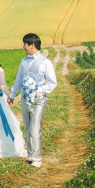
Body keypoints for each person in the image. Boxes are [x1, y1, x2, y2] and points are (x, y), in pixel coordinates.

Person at [7, 33, 57, 168]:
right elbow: (18, 79)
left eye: (25, 44)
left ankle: (37, 158)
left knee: (35, 128)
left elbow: (53, 83)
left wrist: (37, 91)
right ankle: (30, 155)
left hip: (38, 99)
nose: (23, 46)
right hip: (24, 98)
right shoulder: (24, 61)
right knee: (28, 127)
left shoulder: (45, 62)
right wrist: (12, 95)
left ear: (32, 45)